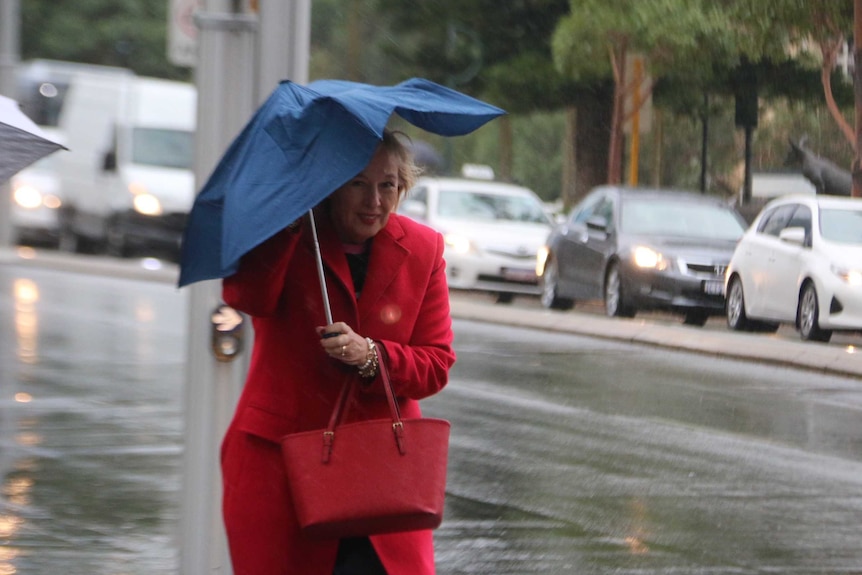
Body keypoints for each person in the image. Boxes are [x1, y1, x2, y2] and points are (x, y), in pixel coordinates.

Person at [220, 128, 456, 575]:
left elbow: (436, 364)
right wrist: (285, 224)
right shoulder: (289, 234)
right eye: (357, 184)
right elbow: (245, 297)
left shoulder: (424, 249)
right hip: (280, 466)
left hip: (382, 474)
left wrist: (372, 356)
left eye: (387, 185)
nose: (375, 201)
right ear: (329, 185)